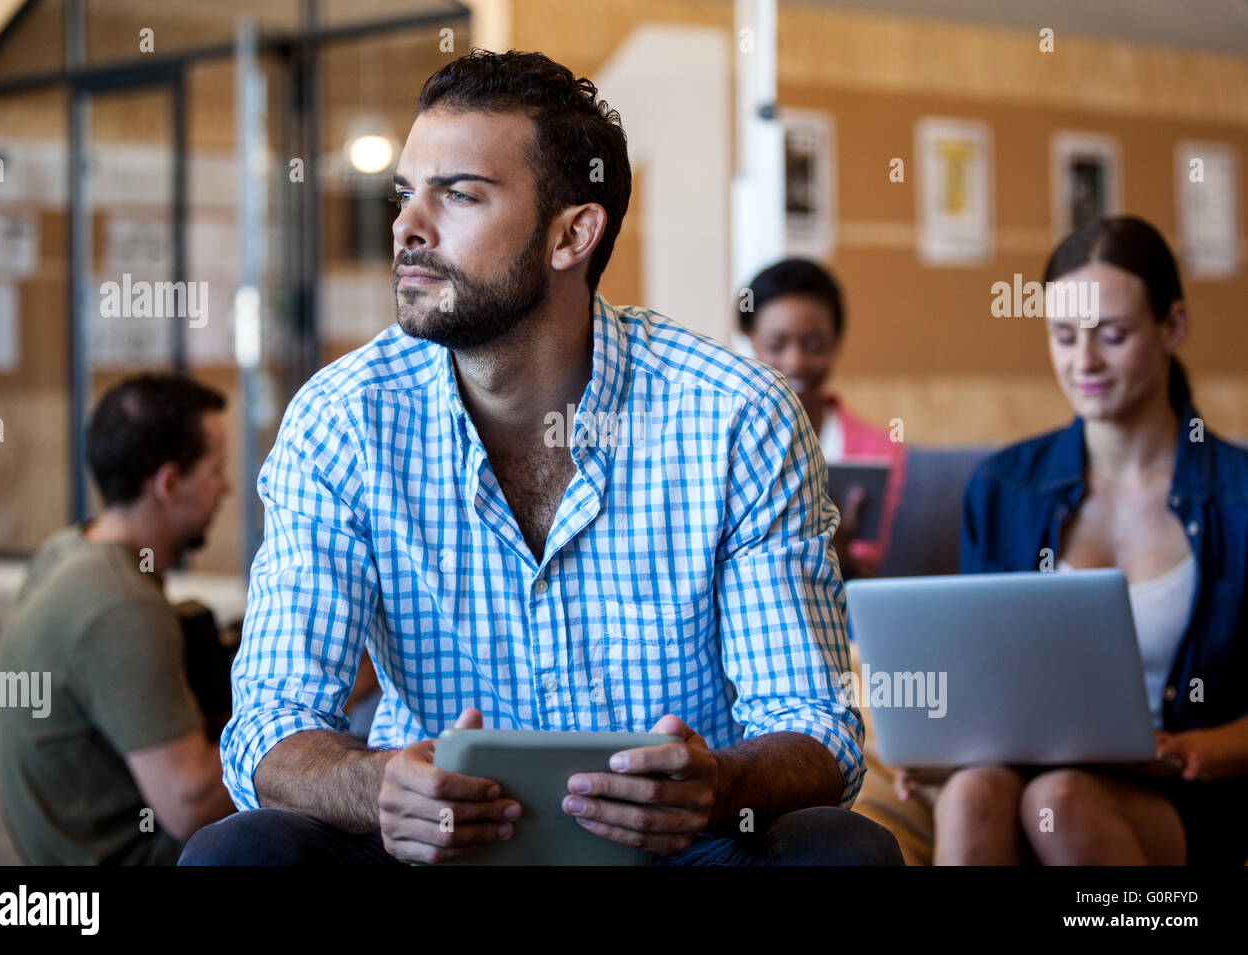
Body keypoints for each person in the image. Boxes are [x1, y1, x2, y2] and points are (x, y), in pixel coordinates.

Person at [182, 49, 902, 866]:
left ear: (572, 234)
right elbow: (267, 729)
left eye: (458, 194)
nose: (407, 227)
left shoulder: (736, 414)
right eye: (405, 193)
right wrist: (379, 786)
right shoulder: (341, 422)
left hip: (675, 851)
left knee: (840, 848)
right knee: (240, 851)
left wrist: (717, 785)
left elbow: (816, 726)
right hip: (436, 852)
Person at [894, 216, 1248, 865]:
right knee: (972, 793)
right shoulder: (1003, 486)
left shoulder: (1240, 494)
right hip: (1022, 771)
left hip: (1187, 789)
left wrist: (1194, 748)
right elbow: (978, 664)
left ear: (1173, 325)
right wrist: (941, 735)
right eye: (1063, 336)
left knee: (1062, 799)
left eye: (1111, 336)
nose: (1083, 361)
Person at [0, 374, 237, 864]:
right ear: (169, 483)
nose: (227, 487)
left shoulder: (68, 551)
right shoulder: (122, 608)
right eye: (216, 471)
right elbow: (194, 806)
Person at [740, 259, 906, 578]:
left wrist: (839, 549)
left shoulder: (879, 450)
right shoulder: (729, 440)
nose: (795, 361)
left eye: (814, 345)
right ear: (751, 340)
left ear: (836, 342)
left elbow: (865, 576)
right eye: (777, 345)